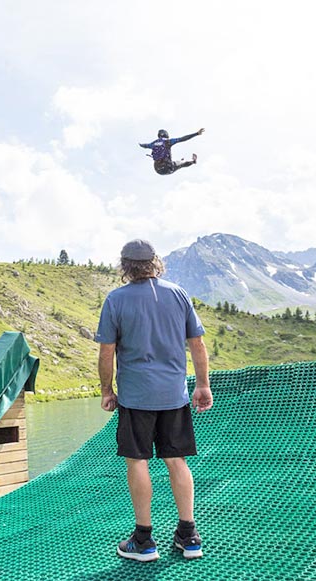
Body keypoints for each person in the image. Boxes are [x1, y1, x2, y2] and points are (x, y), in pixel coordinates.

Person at [95, 239, 213, 562]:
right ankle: (189, 536)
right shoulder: (178, 294)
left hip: (136, 398)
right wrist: (202, 385)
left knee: (138, 461)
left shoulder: (115, 300)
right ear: (155, 262)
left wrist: (107, 390)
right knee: (177, 460)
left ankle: (144, 540)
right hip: (174, 396)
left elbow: (107, 353)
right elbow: (198, 345)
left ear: (125, 266)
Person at [139, 128, 205, 175]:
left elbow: (145, 146)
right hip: (167, 168)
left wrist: (140, 144)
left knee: (176, 162)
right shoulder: (168, 141)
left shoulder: (153, 143)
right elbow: (183, 138)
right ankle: (193, 162)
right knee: (181, 163)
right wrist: (196, 133)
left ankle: (180, 161)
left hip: (157, 169)